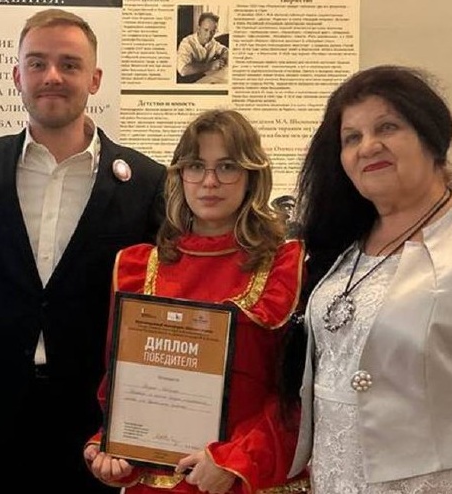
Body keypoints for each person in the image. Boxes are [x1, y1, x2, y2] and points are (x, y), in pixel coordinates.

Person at [0, 8, 165, 493]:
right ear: (17, 76)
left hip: (91, 422)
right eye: (37, 63)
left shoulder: (146, 182)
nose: (52, 76)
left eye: (69, 64)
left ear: (95, 79)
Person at [285, 65, 452, 492]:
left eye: (387, 127)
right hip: (338, 479)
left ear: (431, 136)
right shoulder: (344, 243)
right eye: (352, 137)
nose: (369, 146)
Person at [84, 110, 308, 494]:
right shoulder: (139, 266)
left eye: (227, 167)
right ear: (180, 175)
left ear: (252, 176)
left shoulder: (285, 267)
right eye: (196, 166)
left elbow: (296, 396)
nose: (209, 181)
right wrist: (110, 446)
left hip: (242, 479)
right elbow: (122, 386)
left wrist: (236, 459)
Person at [176, 12, 229, 82]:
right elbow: (183, 70)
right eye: (206, 30)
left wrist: (222, 60)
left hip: (206, 78)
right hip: (189, 82)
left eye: (213, 31)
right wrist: (210, 66)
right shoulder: (186, 43)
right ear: (198, 28)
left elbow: (225, 50)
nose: (209, 35)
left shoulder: (212, 42)